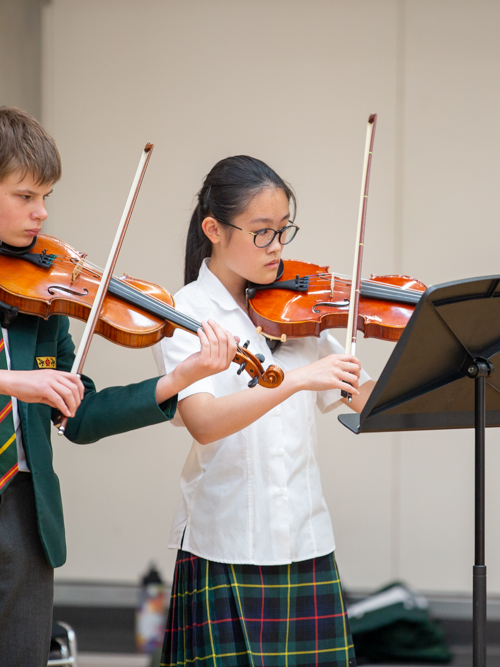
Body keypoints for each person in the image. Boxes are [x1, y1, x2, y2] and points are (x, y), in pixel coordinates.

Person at [0, 106, 238, 667]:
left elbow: (78, 414)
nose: (42, 213)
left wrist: (177, 378)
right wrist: (10, 381)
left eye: (46, 196)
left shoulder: (46, 284)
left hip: (27, 519)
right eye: (26, 196)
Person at [153, 155, 375, 667]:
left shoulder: (302, 308)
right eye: (261, 233)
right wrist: (296, 379)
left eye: (283, 231)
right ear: (213, 229)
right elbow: (204, 422)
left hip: (306, 539)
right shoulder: (186, 312)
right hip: (223, 541)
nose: (277, 248)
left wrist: (400, 339)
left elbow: (365, 400)